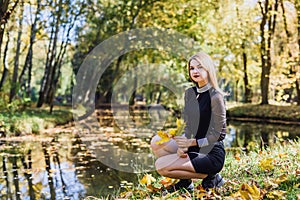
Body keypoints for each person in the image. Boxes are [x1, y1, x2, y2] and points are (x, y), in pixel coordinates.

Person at [150, 51, 227, 191]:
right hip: (193, 146)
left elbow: (220, 134)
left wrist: (193, 142)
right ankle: (186, 183)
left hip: (211, 152)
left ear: (208, 69)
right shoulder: (189, 93)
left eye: (200, 67)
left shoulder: (216, 97)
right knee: (156, 142)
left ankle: (212, 177)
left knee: (160, 165)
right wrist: (182, 144)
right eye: (192, 68)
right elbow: (188, 126)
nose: (195, 71)